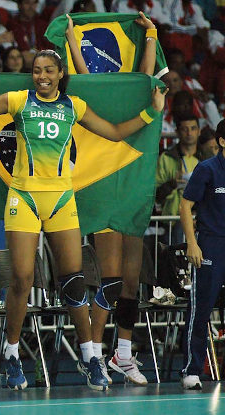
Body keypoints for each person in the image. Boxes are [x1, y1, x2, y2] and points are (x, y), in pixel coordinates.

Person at [0, 50, 166, 391]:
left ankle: (90, 356)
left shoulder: (74, 106)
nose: (41, 75)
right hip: (24, 197)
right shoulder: (19, 100)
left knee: (74, 282)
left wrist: (151, 112)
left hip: (62, 199)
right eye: (36, 70)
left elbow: (116, 132)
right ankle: (12, 353)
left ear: (61, 73)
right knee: (21, 278)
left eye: (48, 70)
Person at [65, 11, 159, 385]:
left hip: (132, 184)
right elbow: (84, 72)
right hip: (103, 185)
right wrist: (72, 39)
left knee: (132, 279)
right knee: (112, 278)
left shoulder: (133, 85)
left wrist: (150, 36)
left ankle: (122, 353)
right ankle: (95, 356)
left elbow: (147, 79)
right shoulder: (93, 90)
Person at [179, 119, 225, 390]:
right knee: (201, 309)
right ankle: (191, 370)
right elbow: (186, 206)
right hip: (210, 244)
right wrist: (191, 244)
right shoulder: (207, 169)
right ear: (222, 141)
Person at [156, 115, 203, 244]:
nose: (189, 133)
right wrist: (172, 184)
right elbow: (156, 195)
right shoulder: (166, 158)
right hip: (171, 222)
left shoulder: (207, 159)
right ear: (177, 132)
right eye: (184, 129)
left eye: (193, 128)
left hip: (199, 222)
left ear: (199, 131)